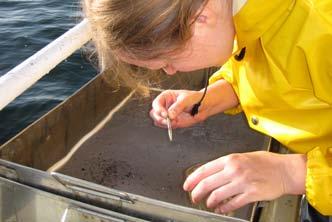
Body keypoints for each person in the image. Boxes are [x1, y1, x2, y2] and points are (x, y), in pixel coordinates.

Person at [83, 0, 332, 217]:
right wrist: (214, 97)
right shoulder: (242, 10)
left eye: (168, 60)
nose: (169, 71)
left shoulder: (323, 28)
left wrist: (290, 173)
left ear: (200, 17)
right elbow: (277, 67)